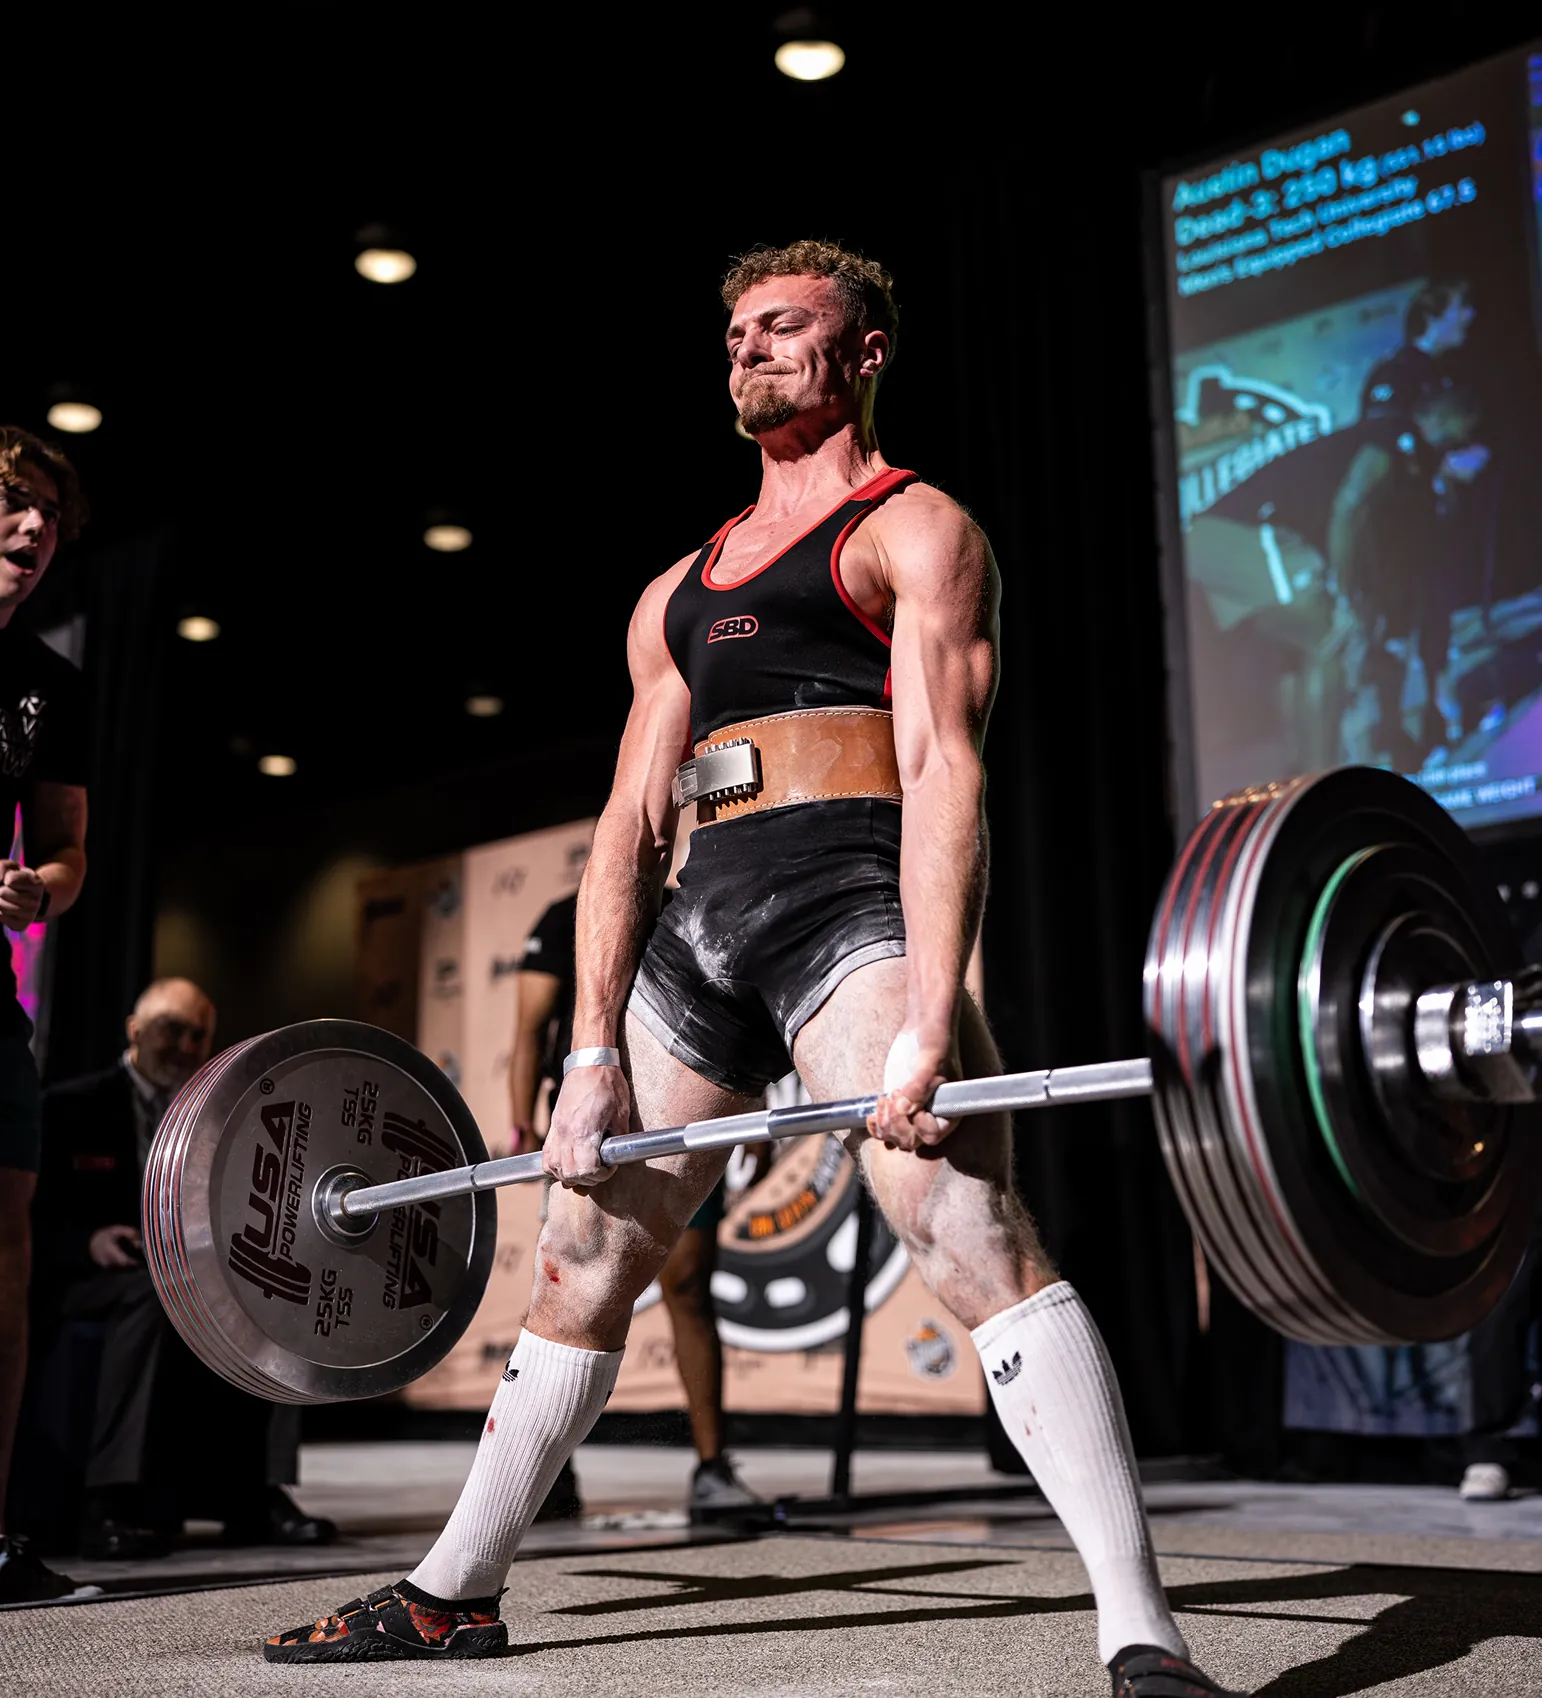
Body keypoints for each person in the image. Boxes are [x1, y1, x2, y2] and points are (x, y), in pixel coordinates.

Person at [264, 241, 1243, 1697]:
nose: (747, 352)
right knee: (585, 1249)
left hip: (848, 899)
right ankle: (448, 1594)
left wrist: (927, 1015)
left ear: (862, 353)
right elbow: (628, 824)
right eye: (733, 336)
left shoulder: (911, 531)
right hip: (699, 935)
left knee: (964, 1228)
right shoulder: (675, 589)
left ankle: (1140, 1632)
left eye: (782, 329)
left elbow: (937, 766)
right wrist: (588, 1049)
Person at [29, 978, 336, 1556]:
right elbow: (24, 1219)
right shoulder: (69, 1106)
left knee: (268, 1290)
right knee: (152, 1295)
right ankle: (109, 1497)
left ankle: (254, 1494)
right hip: (84, 1279)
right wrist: (88, 1242)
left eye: (200, 1035)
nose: (186, 1045)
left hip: (188, 1276)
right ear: (135, 1030)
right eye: (173, 1029)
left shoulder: (217, 1118)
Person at [510, 890, 756, 1518]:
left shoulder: (689, 905)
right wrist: (522, 1127)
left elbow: (741, 1007)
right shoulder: (564, 913)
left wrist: (758, 1109)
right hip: (590, 1121)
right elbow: (529, 1027)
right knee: (568, 1290)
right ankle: (547, 1473)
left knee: (690, 1286)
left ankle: (712, 1466)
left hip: (686, 1112)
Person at [0, 427, 93, 1606]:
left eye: (50, 518)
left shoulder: (47, 685)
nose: (32, 532)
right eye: (14, 502)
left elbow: (69, 850)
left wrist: (39, 889)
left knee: (5, 1263)